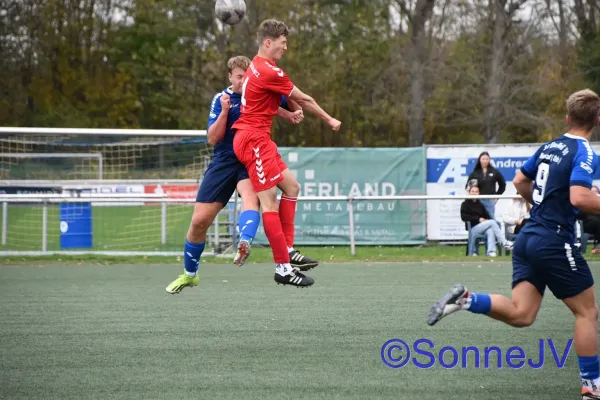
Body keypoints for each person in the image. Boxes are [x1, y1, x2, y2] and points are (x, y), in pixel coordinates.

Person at [427, 89, 600, 400]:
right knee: (587, 314)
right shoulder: (585, 152)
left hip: (528, 238)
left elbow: (520, 180)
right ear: (597, 120)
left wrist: (537, 203)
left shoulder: (550, 147)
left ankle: (466, 299)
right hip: (553, 240)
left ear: (567, 117)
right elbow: (579, 197)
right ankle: (592, 389)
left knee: (523, 314)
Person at [165, 55, 304, 294]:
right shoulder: (222, 99)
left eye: (246, 76)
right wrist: (225, 113)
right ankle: (190, 274)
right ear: (230, 76)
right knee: (199, 221)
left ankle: (244, 242)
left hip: (249, 157)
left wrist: (287, 94)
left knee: (252, 200)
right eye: (239, 77)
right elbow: (212, 138)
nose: (243, 81)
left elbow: (291, 103)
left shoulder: (259, 91)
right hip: (224, 161)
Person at [232, 19, 341, 288]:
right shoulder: (269, 71)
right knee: (267, 203)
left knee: (292, 187)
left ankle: (288, 249)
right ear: (268, 42)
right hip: (253, 141)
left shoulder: (254, 69)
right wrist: (329, 119)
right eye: (283, 43)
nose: (286, 48)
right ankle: (282, 267)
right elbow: (305, 98)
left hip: (259, 138)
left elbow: (258, 104)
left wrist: (286, 113)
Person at [461, 180, 514, 256]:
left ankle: (491, 252)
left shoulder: (481, 204)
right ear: (469, 192)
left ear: (479, 193)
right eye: (472, 191)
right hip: (472, 229)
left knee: (490, 230)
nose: (474, 193)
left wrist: (485, 220)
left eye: (476, 192)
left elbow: (487, 216)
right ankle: (504, 242)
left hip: (483, 227)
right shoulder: (465, 204)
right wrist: (478, 219)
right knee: (492, 222)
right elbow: (464, 217)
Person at [466, 151, 506, 219]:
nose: (485, 161)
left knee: (491, 219)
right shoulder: (475, 172)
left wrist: (496, 197)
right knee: (478, 219)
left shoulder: (494, 171)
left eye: (487, 159)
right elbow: (468, 186)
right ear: (479, 160)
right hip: (478, 200)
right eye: (483, 159)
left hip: (489, 200)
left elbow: (503, 185)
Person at [579, 186, 600, 254]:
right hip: (586, 224)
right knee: (596, 221)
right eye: (592, 191)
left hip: (597, 225)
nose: (594, 193)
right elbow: (580, 215)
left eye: (596, 191)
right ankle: (598, 245)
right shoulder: (583, 202)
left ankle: (598, 245)